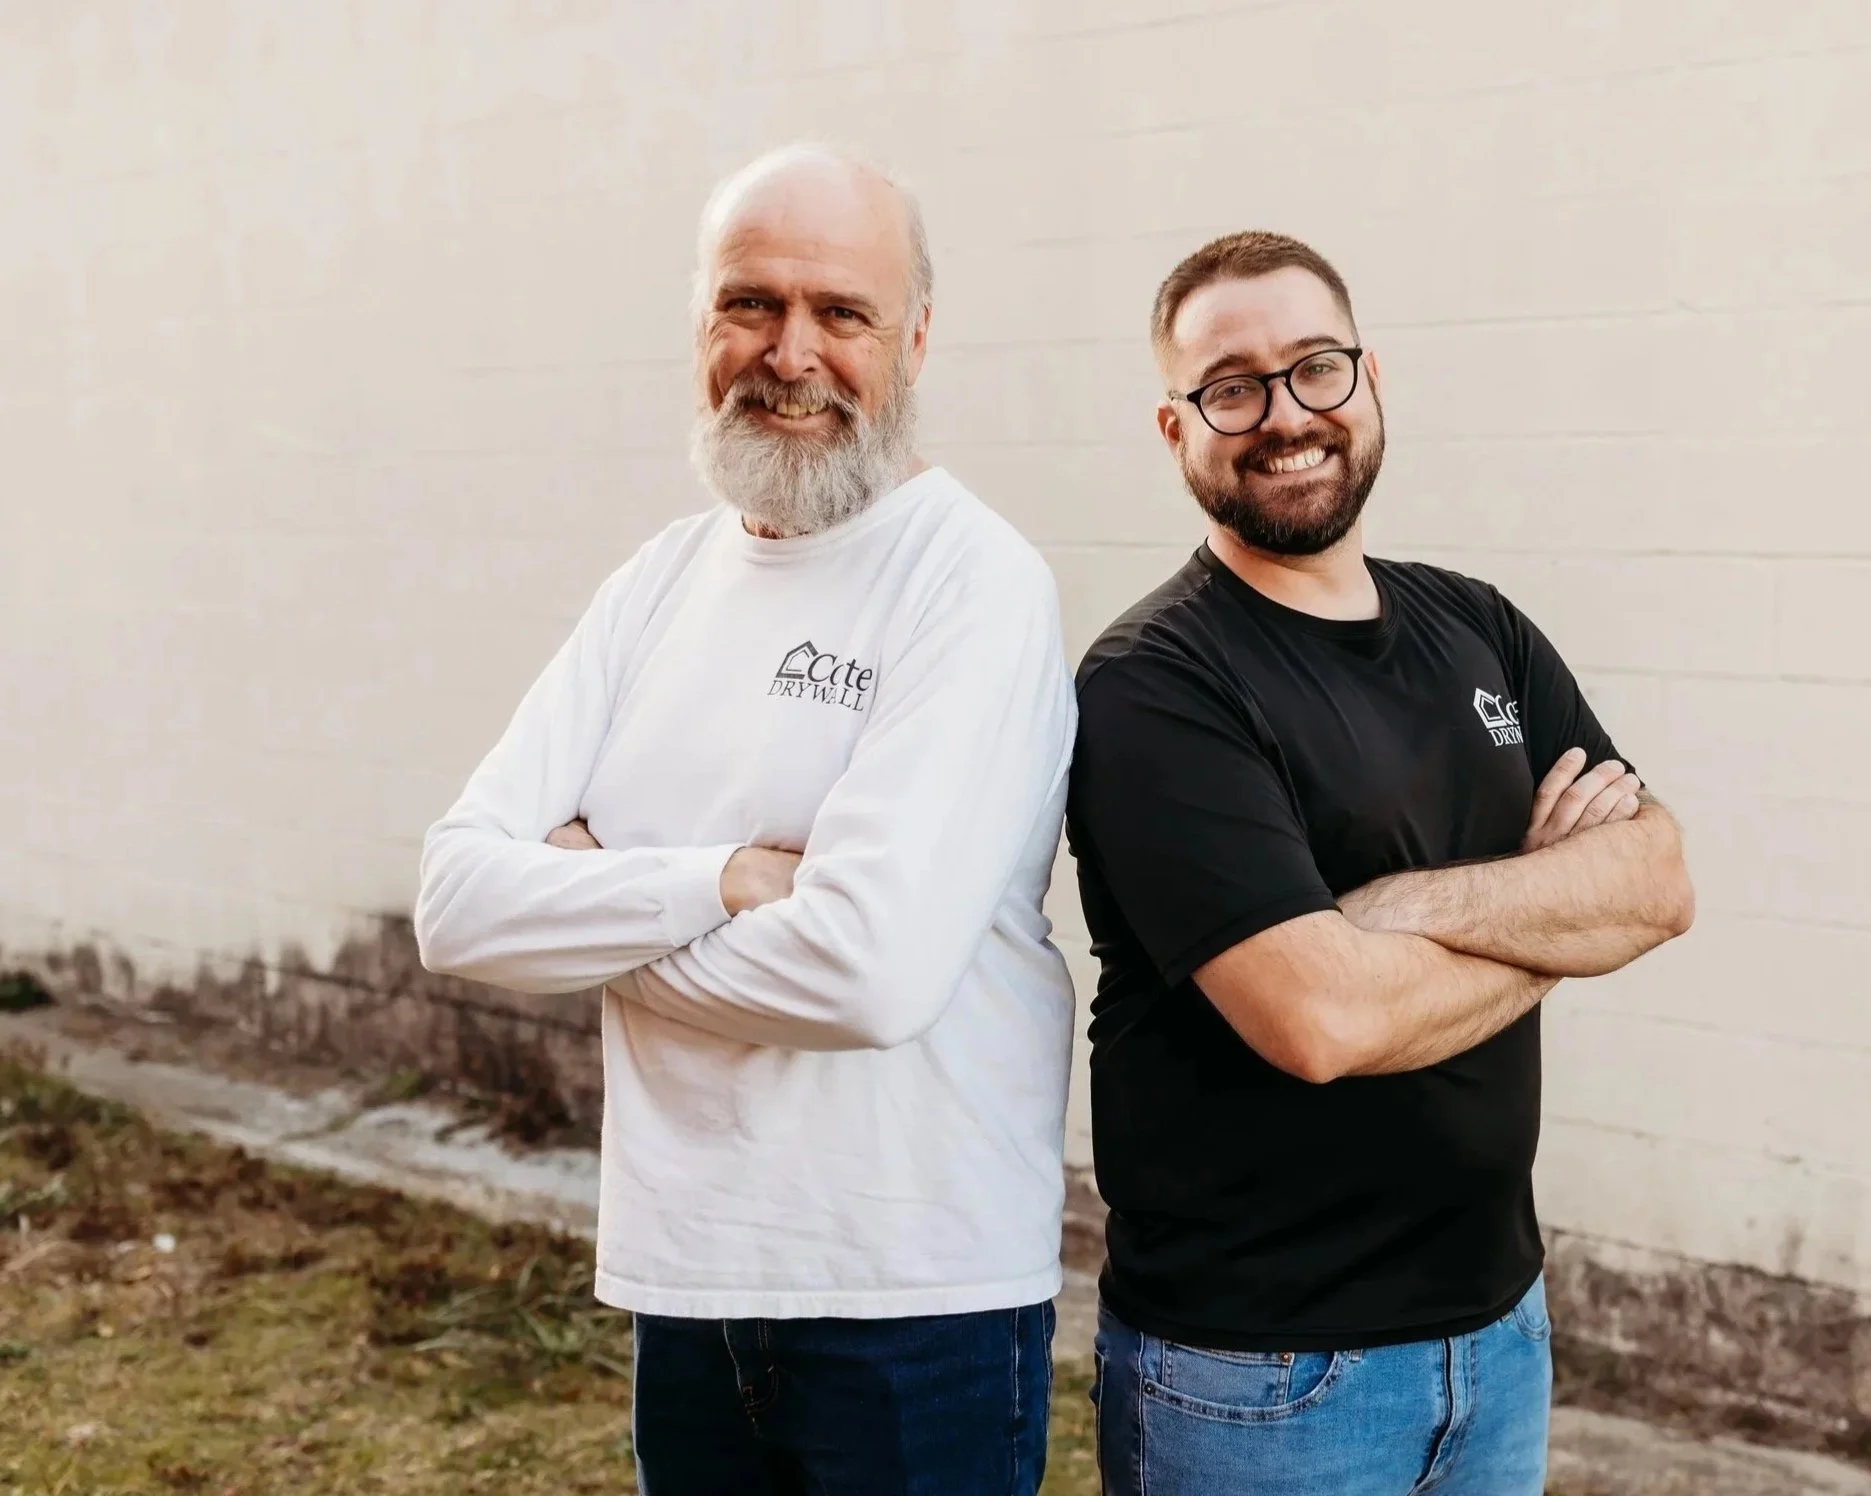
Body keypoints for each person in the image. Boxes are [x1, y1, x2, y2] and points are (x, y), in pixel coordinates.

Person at [414, 144, 1076, 1495]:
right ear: (699, 324)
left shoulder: (973, 584)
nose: (790, 352)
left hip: (914, 1295)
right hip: (687, 1283)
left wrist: (589, 902)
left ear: (915, 339)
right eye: (748, 304)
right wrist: (718, 879)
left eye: (840, 313)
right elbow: (456, 902)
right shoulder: (655, 582)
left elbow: (864, 971)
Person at [1067, 231, 1695, 1495]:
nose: (1283, 416)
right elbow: (1322, 1017)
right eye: (1230, 387)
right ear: (1172, 424)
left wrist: (1412, 910)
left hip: (1498, 1330)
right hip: (1261, 1376)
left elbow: (1656, 882)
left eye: (1313, 368)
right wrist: (1551, 921)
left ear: (1370, 379)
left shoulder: (1477, 624)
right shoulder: (1154, 684)